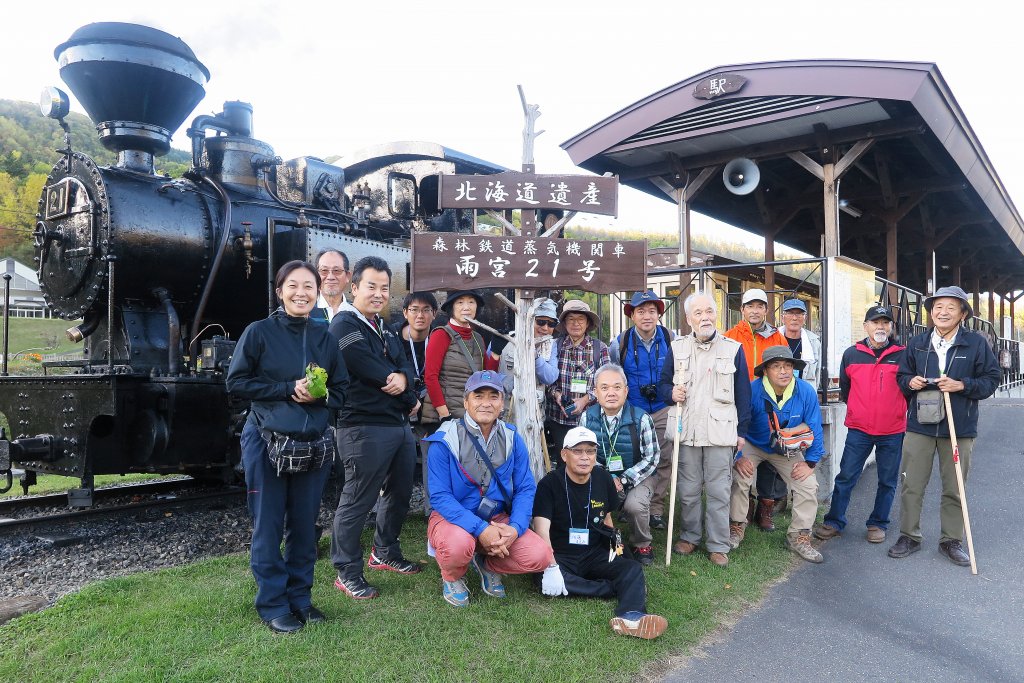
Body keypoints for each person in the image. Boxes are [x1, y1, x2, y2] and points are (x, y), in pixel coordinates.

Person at [226, 260, 348, 633]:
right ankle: (273, 604)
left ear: (318, 292)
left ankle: (301, 599)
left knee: (304, 523)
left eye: (308, 286)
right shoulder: (259, 332)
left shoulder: (325, 337)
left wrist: (319, 394)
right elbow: (237, 383)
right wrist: (285, 390)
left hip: (312, 443)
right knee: (269, 523)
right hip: (266, 440)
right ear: (279, 291)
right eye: (293, 285)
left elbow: (342, 391)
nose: (301, 292)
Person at [329, 256, 422, 599]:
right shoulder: (344, 325)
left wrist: (405, 384)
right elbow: (367, 366)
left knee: (399, 491)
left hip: (396, 426)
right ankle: (347, 571)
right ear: (354, 287)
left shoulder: (382, 327)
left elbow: (405, 370)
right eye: (371, 286)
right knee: (357, 499)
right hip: (362, 427)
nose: (379, 294)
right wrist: (395, 380)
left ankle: (385, 552)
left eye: (385, 288)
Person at [889, 286, 1001, 566]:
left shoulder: (975, 343)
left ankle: (951, 540)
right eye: (938, 307)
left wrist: (962, 385)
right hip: (920, 426)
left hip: (959, 427)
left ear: (962, 314)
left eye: (951, 307)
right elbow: (902, 376)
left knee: (955, 487)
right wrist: (910, 382)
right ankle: (909, 536)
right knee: (911, 485)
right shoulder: (917, 343)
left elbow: (991, 379)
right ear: (930, 312)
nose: (943, 312)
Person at [423, 371, 553, 607]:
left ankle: (487, 564)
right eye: (478, 396)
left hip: (497, 519)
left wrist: (514, 528)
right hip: (452, 519)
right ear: (466, 402)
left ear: (502, 403)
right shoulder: (444, 439)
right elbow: (440, 497)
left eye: (493, 396)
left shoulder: (513, 437)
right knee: (458, 546)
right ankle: (452, 577)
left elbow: (525, 488)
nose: (486, 403)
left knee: (540, 556)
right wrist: (480, 528)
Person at [532, 427, 669, 640]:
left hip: (594, 552)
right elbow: (541, 530)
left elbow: (607, 519)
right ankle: (608, 589)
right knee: (542, 577)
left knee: (631, 568)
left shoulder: (602, 478)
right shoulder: (549, 484)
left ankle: (631, 615)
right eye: (578, 451)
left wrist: (617, 547)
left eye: (590, 451)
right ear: (564, 454)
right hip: (562, 556)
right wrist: (551, 565)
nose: (585, 457)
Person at [658, 292, 751, 567]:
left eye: (709, 311)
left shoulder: (733, 349)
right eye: (698, 313)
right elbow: (663, 386)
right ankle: (689, 536)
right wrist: (671, 391)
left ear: (716, 314)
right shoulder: (676, 348)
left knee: (719, 489)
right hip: (687, 429)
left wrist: (741, 432)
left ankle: (718, 543)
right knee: (687, 489)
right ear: (688, 319)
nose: (705, 317)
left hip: (721, 431)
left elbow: (743, 395)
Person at [814, 305, 907, 544]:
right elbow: (846, 388)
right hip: (859, 429)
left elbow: (908, 389)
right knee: (846, 476)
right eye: (875, 322)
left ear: (891, 327)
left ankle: (878, 523)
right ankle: (834, 521)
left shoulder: (904, 355)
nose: (880, 327)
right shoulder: (851, 354)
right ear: (865, 326)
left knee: (887, 480)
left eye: (885, 323)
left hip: (892, 430)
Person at [730, 346, 824, 563]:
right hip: (752, 444)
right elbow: (735, 425)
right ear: (765, 371)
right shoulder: (752, 390)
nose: (784, 371)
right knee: (740, 478)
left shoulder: (805, 391)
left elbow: (815, 428)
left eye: (788, 366)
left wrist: (810, 462)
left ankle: (798, 536)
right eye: (777, 366)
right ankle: (736, 525)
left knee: (808, 484)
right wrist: (738, 457)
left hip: (786, 448)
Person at [608, 289, 675, 531]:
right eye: (641, 311)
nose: (646, 316)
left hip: (662, 408)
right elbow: (613, 375)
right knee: (632, 457)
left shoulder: (671, 339)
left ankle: (655, 508)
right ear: (632, 315)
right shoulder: (620, 343)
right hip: (632, 411)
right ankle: (630, 504)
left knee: (663, 459)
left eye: (651, 311)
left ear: (659, 314)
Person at [580, 364, 660, 565]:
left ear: (626, 390)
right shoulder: (587, 417)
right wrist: (605, 478)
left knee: (634, 505)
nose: (611, 393)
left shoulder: (641, 418)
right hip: (599, 476)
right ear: (596, 392)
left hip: (638, 476)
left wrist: (623, 479)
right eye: (604, 388)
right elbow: (582, 454)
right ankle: (601, 541)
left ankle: (641, 543)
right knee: (587, 500)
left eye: (617, 387)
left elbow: (651, 458)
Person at [726, 288, 788, 533]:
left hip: (768, 404)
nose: (755, 310)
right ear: (742, 310)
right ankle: (744, 508)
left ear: (766, 309)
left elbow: (786, 371)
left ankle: (766, 506)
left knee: (770, 455)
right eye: (750, 306)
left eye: (759, 306)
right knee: (741, 454)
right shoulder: (730, 336)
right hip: (738, 405)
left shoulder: (777, 337)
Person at [545, 299, 610, 463]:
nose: (576, 323)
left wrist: (585, 400)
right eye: (571, 319)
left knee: (587, 462)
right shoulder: (555, 346)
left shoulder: (599, 348)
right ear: (565, 323)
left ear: (587, 323)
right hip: (558, 419)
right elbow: (546, 381)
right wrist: (557, 395)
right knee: (563, 463)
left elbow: (606, 384)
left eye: (580, 319)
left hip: (590, 419)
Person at [421, 290, 498, 424]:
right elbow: (430, 377)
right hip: (446, 417)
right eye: (460, 302)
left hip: (472, 416)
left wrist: (496, 352)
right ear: (452, 308)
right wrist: (444, 415)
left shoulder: (478, 338)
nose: (466, 307)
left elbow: (487, 378)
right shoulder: (441, 335)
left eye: (471, 302)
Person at [494, 296, 559, 401]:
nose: (545, 328)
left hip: (535, 413)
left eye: (552, 324)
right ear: (529, 319)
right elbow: (488, 371)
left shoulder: (552, 345)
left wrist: (536, 357)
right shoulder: (505, 338)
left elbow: (550, 377)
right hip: (505, 412)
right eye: (541, 322)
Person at [312, 248, 355, 323]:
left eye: (336, 271)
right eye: (324, 271)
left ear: (348, 276)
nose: (330, 277)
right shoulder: (305, 310)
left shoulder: (356, 312)